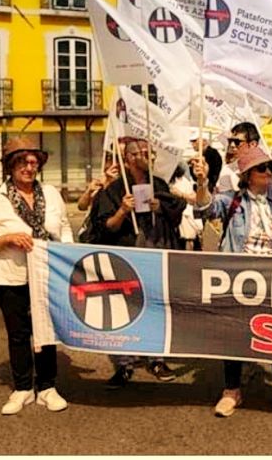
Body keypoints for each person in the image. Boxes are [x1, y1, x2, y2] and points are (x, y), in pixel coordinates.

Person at [193, 146, 272, 417]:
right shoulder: (232, 200)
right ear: (248, 174)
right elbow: (205, 207)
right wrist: (202, 182)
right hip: (239, 277)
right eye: (263, 168)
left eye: (271, 168)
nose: (270, 173)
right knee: (234, 333)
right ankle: (232, 391)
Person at [0, 136, 72, 415]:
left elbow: (64, 227)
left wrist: (66, 255)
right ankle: (22, 388)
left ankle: (47, 387)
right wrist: (6, 238)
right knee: (18, 334)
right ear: (10, 166)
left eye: (33, 162)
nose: (29, 167)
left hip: (46, 274)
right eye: (22, 161)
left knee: (46, 332)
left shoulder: (51, 193)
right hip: (11, 276)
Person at [95, 139, 186, 387]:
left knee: (155, 305)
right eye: (143, 153)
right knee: (125, 309)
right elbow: (105, 227)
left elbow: (175, 215)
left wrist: (160, 209)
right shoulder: (114, 189)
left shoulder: (158, 184)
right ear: (129, 159)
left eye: (150, 152)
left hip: (154, 252)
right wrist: (123, 211)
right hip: (126, 255)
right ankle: (124, 364)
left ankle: (156, 358)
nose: (149, 156)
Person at [217, 122, 260, 193]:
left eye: (237, 142)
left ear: (252, 144)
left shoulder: (268, 170)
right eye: (230, 141)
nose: (232, 145)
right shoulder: (227, 171)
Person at [169, 162, 203, 251]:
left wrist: (180, 194)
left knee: (188, 241)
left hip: (185, 216)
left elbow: (194, 198)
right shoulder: (164, 181)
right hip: (172, 220)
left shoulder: (183, 181)